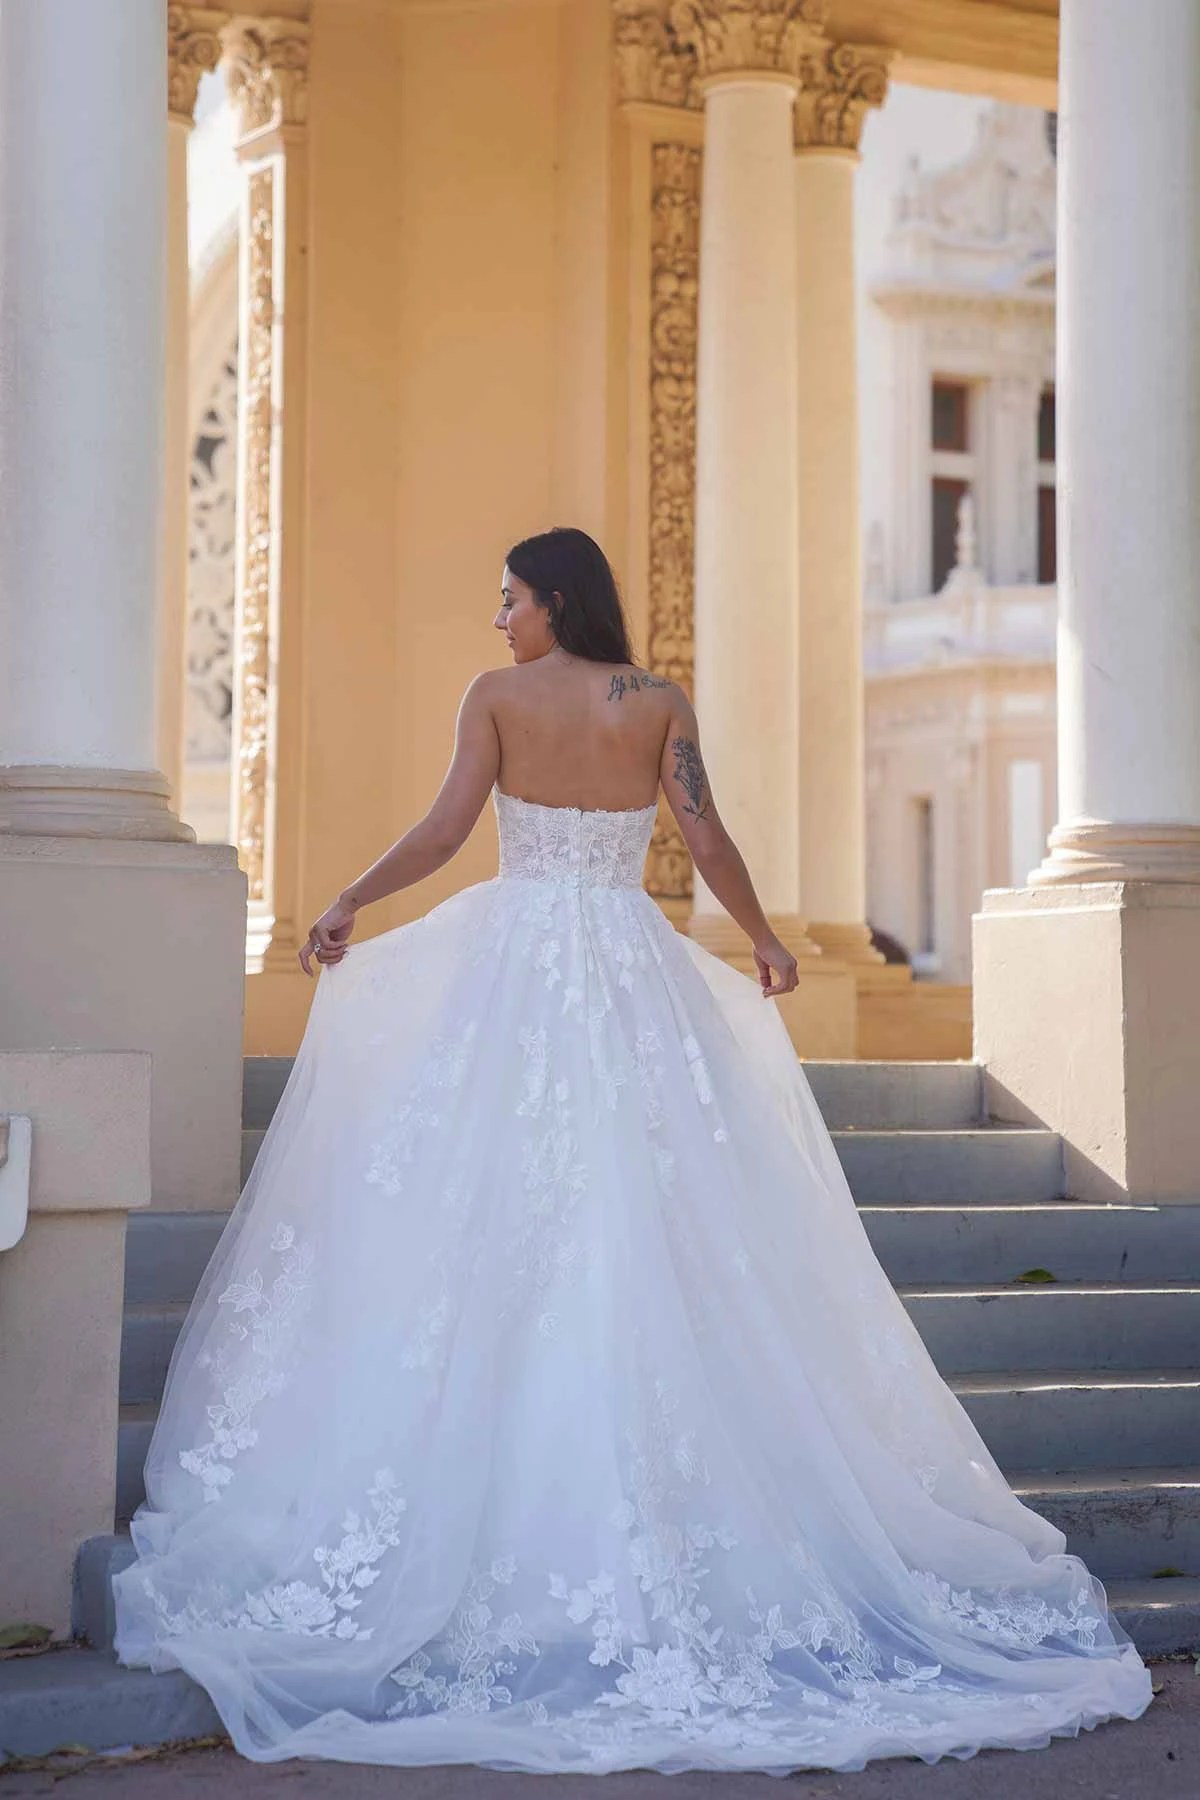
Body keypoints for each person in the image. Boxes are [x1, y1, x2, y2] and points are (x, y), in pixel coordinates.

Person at [113, 527, 1152, 1774]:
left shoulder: (496, 700)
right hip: (626, 972)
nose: (497, 619)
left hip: (513, 971)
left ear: (554, 600)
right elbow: (701, 842)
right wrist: (764, 942)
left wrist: (347, 900)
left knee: (490, 1216)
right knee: (647, 1215)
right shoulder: (656, 702)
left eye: (508, 598)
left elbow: (448, 831)